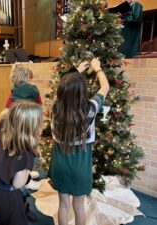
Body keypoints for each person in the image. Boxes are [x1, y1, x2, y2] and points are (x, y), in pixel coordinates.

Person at [48, 58, 110, 225]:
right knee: (79, 207)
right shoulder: (90, 108)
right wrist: (98, 69)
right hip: (80, 165)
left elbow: (61, 87)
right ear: (83, 92)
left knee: (63, 205)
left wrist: (76, 70)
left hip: (60, 163)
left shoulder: (55, 107)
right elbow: (105, 87)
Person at [0, 101, 42, 225]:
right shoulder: (26, 153)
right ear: (31, 127)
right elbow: (18, 183)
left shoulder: (5, 127)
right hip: (3, 196)